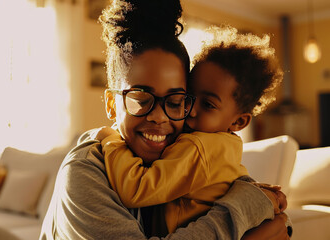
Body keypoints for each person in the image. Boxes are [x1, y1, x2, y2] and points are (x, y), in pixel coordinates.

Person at [40, 0, 291, 239]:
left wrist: (259, 198)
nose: (159, 116)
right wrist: (246, 211)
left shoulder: (183, 142)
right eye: (141, 99)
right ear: (111, 105)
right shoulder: (85, 170)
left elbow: (262, 208)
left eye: (175, 101)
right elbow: (246, 205)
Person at [92, 25, 286, 235]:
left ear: (239, 122)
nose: (190, 110)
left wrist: (110, 140)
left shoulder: (198, 146)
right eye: (187, 97)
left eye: (208, 105)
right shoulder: (222, 144)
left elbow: (136, 189)